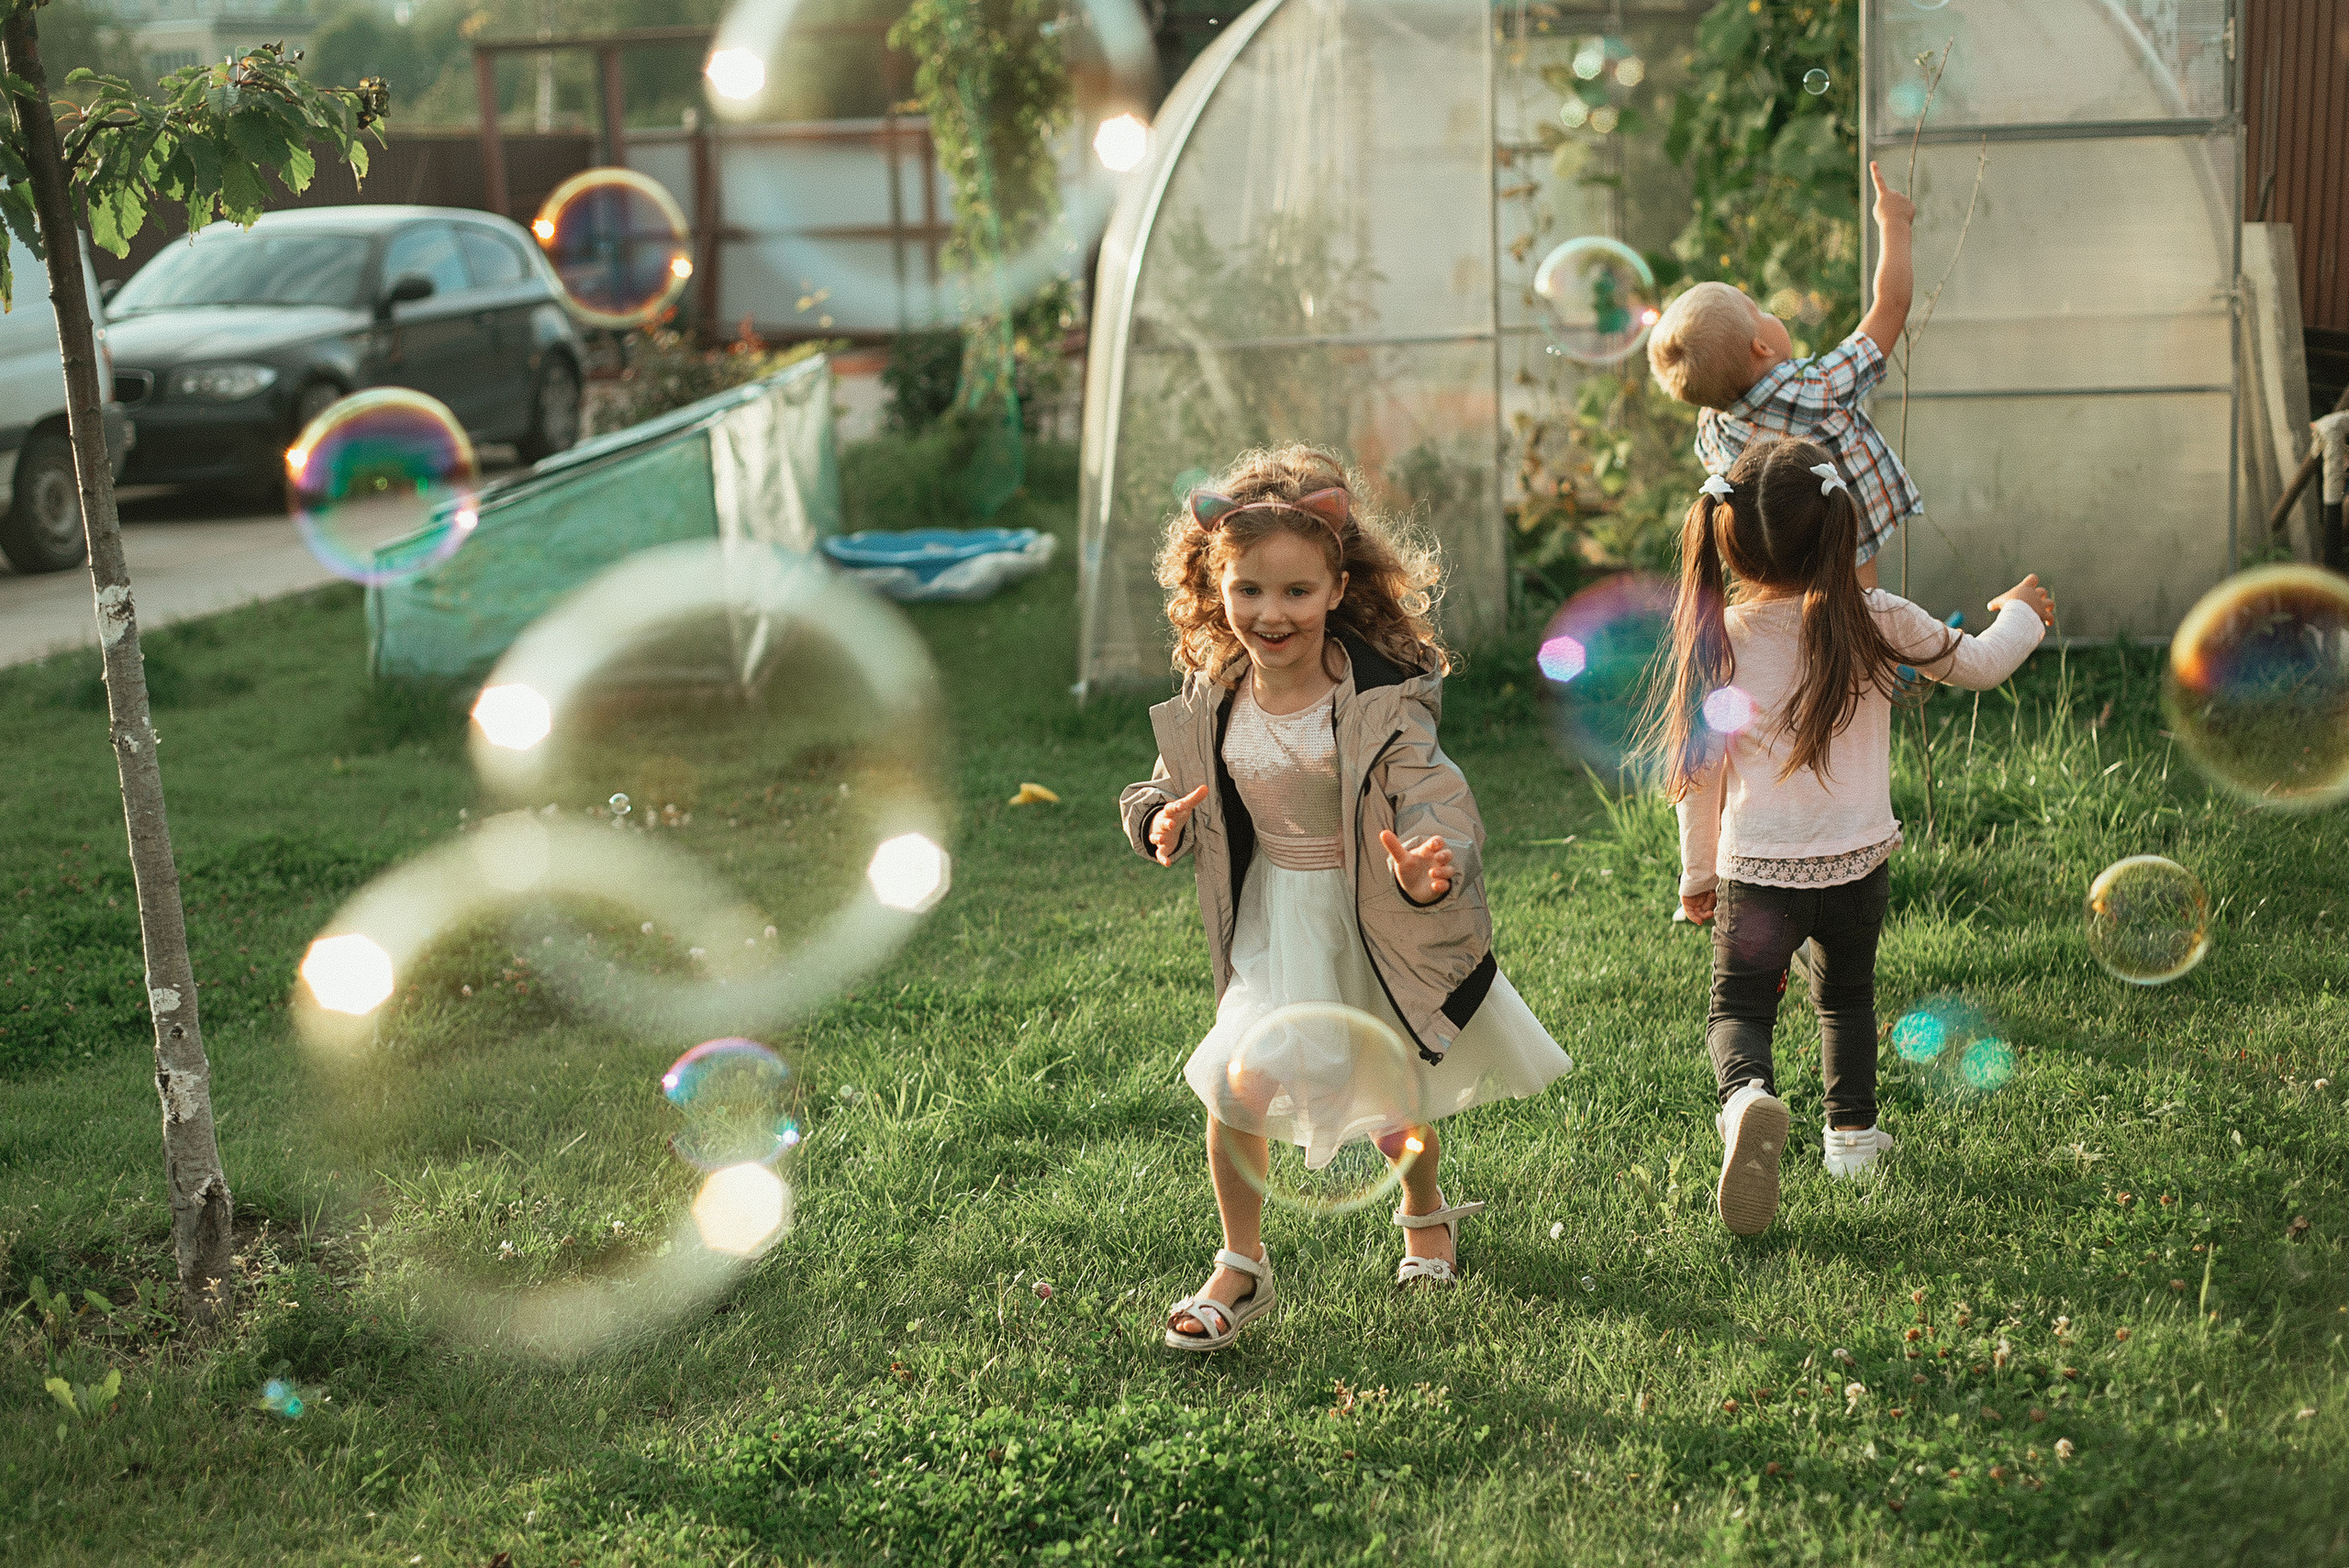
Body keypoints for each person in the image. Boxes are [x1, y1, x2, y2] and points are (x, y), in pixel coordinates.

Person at [1119, 443, 1572, 1351]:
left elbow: (1431, 789)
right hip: (1268, 922)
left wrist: (1428, 862)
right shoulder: (1213, 693)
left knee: (1390, 1098)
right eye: (1248, 589)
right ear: (1218, 587)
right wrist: (1160, 818)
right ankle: (1239, 1268)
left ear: (1336, 587)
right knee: (1233, 1083)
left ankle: (1423, 1212)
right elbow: (1159, 785)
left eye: (1294, 591)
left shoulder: (1376, 696)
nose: (1269, 612)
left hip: (1364, 920)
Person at [1643, 437, 2054, 1238]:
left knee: (1740, 1008)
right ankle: (1852, 1138)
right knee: (1847, 997)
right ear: (1840, 528)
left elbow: (1699, 773)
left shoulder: (1720, 635)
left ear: (1725, 534)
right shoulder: (1875, 618)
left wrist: (1698, 876)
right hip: (1854, 863)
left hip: (1755, 870)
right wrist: (2023, 616)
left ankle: (1747, 1099)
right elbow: (1978, 663)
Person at [1646, 161, 1922, 592]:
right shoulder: (1821, 392)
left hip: (1781, 556)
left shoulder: (1713, 426)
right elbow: (1891, 305)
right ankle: (1881, 659)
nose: (1766, 311)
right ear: (1762, 348)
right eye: (1757, 309)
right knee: (1868, 614)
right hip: (1844, 537)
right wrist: (1894, 223)